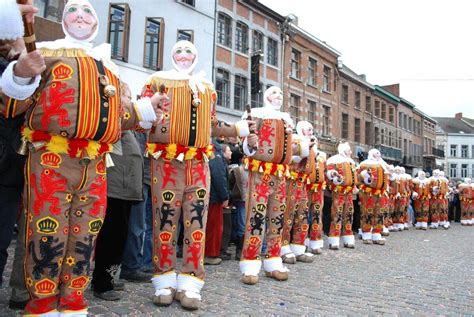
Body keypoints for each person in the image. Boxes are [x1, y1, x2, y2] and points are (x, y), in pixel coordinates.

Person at [3, 1, 156, 315]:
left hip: (96, 164)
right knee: (46, 232)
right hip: (50, 159)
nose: (81, 16)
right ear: (63, 20)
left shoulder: (110, 69)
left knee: (85, 235)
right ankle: (43, 304)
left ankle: (73, 303)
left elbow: (121, 118)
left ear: (97, 24)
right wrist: (19, 74)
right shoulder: (44, 52)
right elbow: (10, 107)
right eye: (73, 11)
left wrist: (146, 107)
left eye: (88, 12)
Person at [142, 40, 255, 310]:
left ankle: (191, 282)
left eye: (189, 51)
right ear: (171, 55)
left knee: (196, 225)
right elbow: (144, 115)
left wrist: (239, 128)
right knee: (164, 222)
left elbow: (213, 125)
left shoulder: (206, 89)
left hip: (198, 164)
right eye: (178, 51)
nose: (183, 55)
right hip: (166, 162)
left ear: (195, 57)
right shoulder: (157, 81)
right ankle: (164, 279)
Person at [239, 86, 307, 285]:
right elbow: (246, 142)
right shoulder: (258, 115)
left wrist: (300, 148)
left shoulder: (286, 119)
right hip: (260, 173)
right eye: (274, 93)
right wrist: (250, 143)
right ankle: (250, 263)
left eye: (281, 94)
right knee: (256, 218)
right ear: (267, 96)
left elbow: (289, 149)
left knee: (277, 218)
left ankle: (273, 260)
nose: (278, 97)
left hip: (280, 175)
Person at [91, 83, 146, 301]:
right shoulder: (115, 117)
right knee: (111, 238)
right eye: (126, 96)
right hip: (115, 188)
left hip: (126, 189)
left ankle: (111, 277)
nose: (129, 101)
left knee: (118, 238)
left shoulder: (126, 122)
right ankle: (102, 283)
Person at [280, 121, 314, 264]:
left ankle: (298, 246)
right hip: (290, 181)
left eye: (311, 129)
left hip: (302, 183)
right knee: (288, 214)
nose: (311, 132)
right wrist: (303, 150)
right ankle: (283, 246)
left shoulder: (310, 143)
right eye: (308, 129)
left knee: (302, 215)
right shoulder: (294, 139)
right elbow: (290, 158)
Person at [326, 142, 357, 249]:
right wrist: (335, 177)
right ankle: (334, 238)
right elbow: (329, 174)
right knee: (337, 214)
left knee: (349, 214)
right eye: (349, 150)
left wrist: (354, 186)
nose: (351, 152)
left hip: (348, 192)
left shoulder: (351, 162)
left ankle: (348, 235)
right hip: (338, 191)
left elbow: (354, 177)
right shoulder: (334, 161)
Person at [356, 149, 390, 245]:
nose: (378, 155)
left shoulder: (382, 164)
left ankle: (377, 234)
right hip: (368, 193)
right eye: (376, 153)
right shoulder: (364, 164)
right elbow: (358, 177)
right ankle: (366, 234)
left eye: (379, 153)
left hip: (380, 193)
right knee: (368, 213)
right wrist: (365, 178)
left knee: (379, 213)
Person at [204, 140, 230, 265]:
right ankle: (211, 254)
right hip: (214, 197)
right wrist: (225, 196)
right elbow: (219, 176)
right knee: (214, 227)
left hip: (207, 195)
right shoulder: (216, 154)